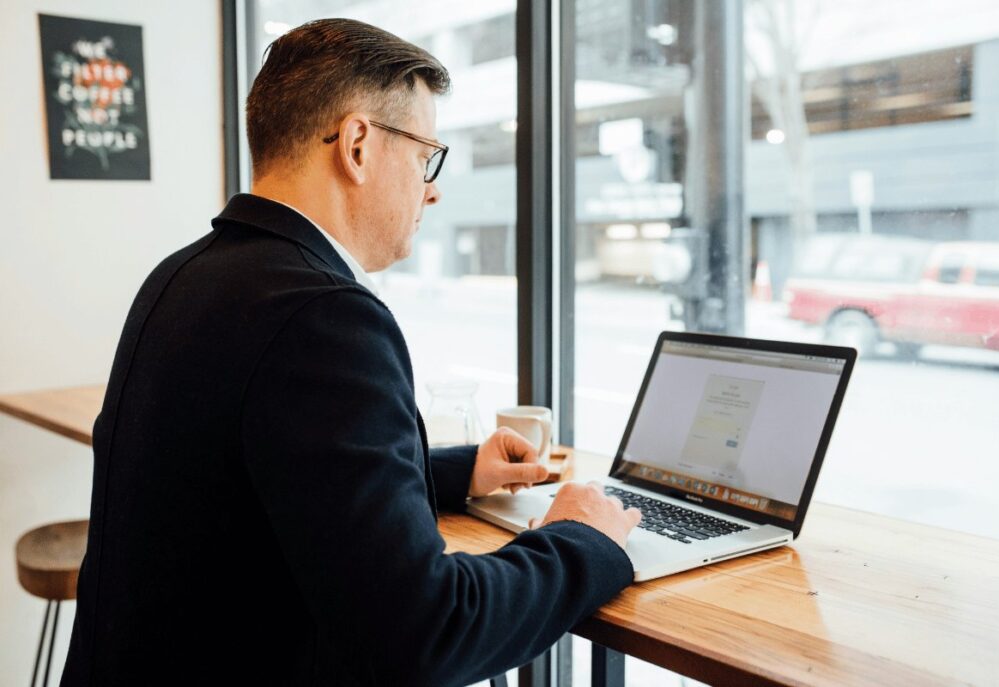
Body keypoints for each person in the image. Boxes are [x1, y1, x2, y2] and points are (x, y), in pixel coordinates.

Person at [61, 18, 640, 686]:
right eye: (427, 155)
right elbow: (426, 633)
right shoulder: (323, 318)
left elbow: (267, 471)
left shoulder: (181, 275)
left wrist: (454, 472)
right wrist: (579, 539)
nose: (432, 187)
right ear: (358, 144)